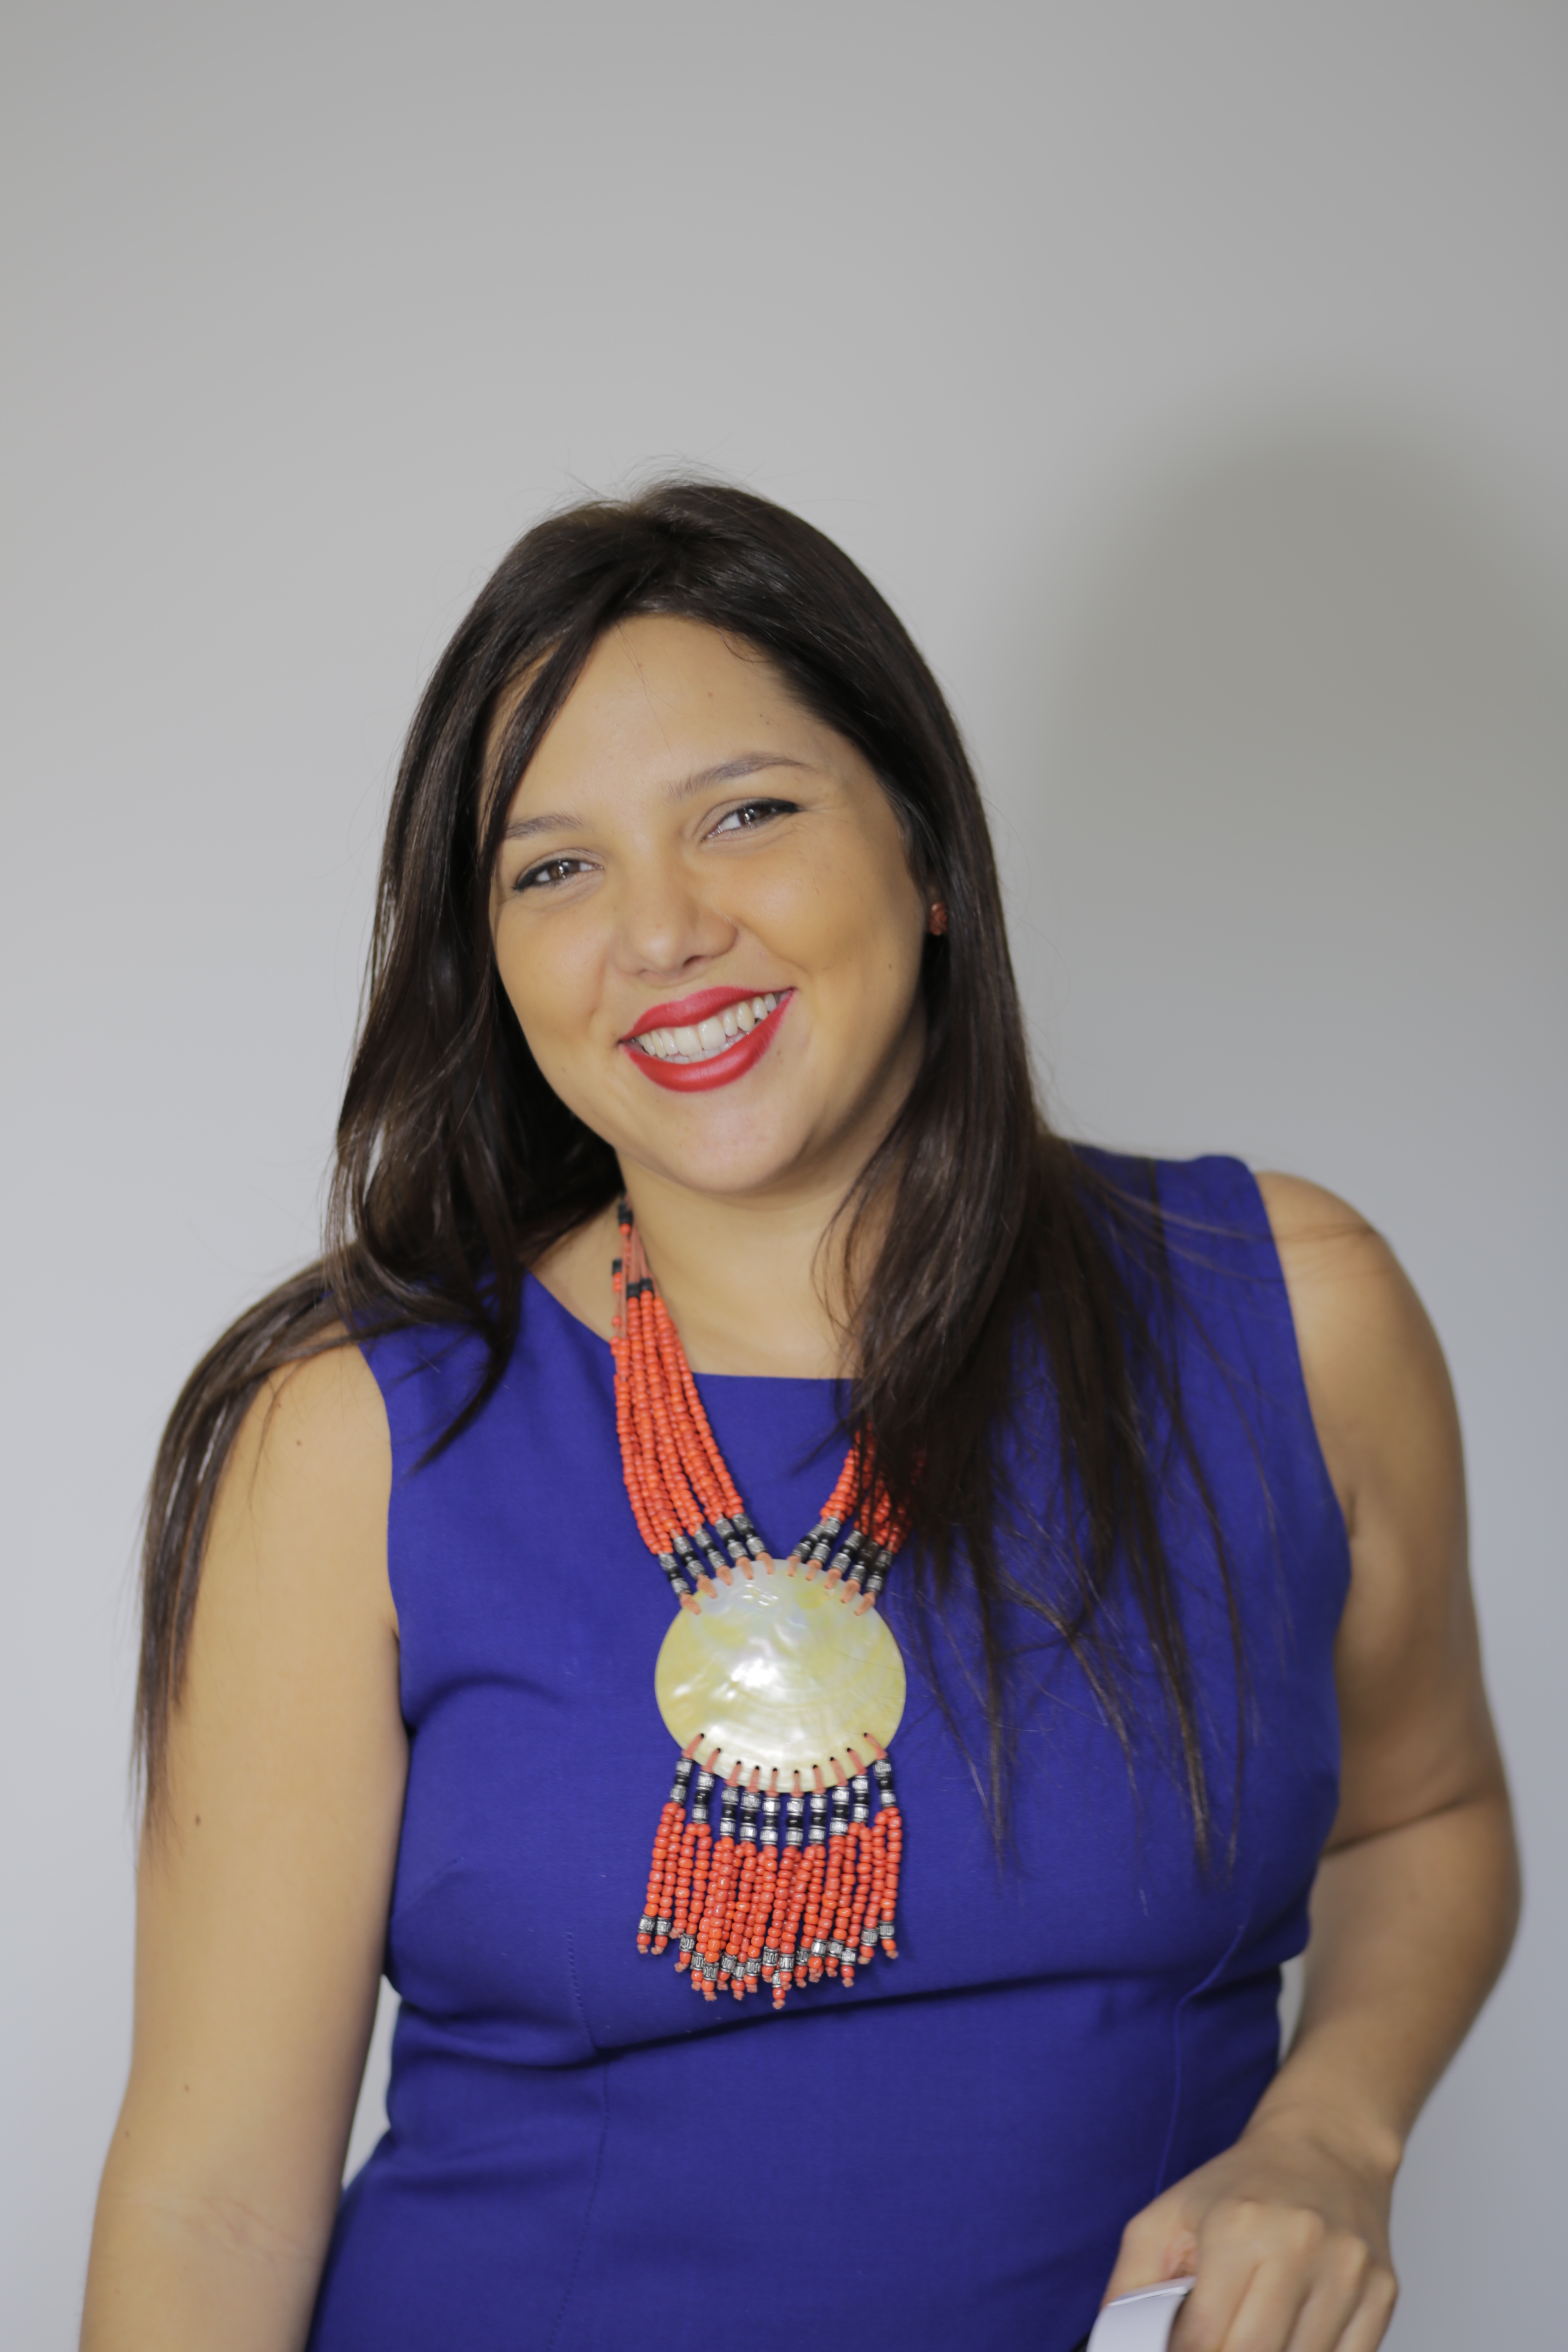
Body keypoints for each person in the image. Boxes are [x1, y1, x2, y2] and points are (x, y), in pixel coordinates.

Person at [80, 481, 1518, 2352]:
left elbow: (1429, 1816)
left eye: (745, 814)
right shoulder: (349, 1435)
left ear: (927, 855)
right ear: (490, 962)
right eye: (553, 870)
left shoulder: (1292, 1317)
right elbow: (210, 2204)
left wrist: (1335, 2132)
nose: (663, 932)